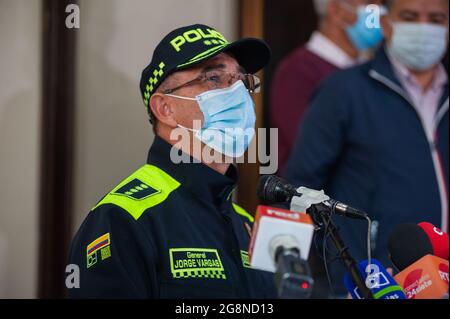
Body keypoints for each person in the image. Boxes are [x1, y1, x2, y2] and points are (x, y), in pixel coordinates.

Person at [67, 24, 277, 298]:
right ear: (165, 108)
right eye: (214, 78)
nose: (237, 93)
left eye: (241, 80)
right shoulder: (123, 218)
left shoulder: (248, 225)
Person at [285, 0, 449, 295]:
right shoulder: (343, 91)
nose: (424, 27)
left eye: (436, 19)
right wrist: (339, 269)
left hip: (442, 279)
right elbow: (300, 187)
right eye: (410, 16)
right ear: (386, 24)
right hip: (373, 282)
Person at [270, 0, 384, 174]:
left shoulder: (372, 71)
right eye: (369, 2)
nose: (379, 10)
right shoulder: (297, 70)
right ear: (336, 10)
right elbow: (312, 150)